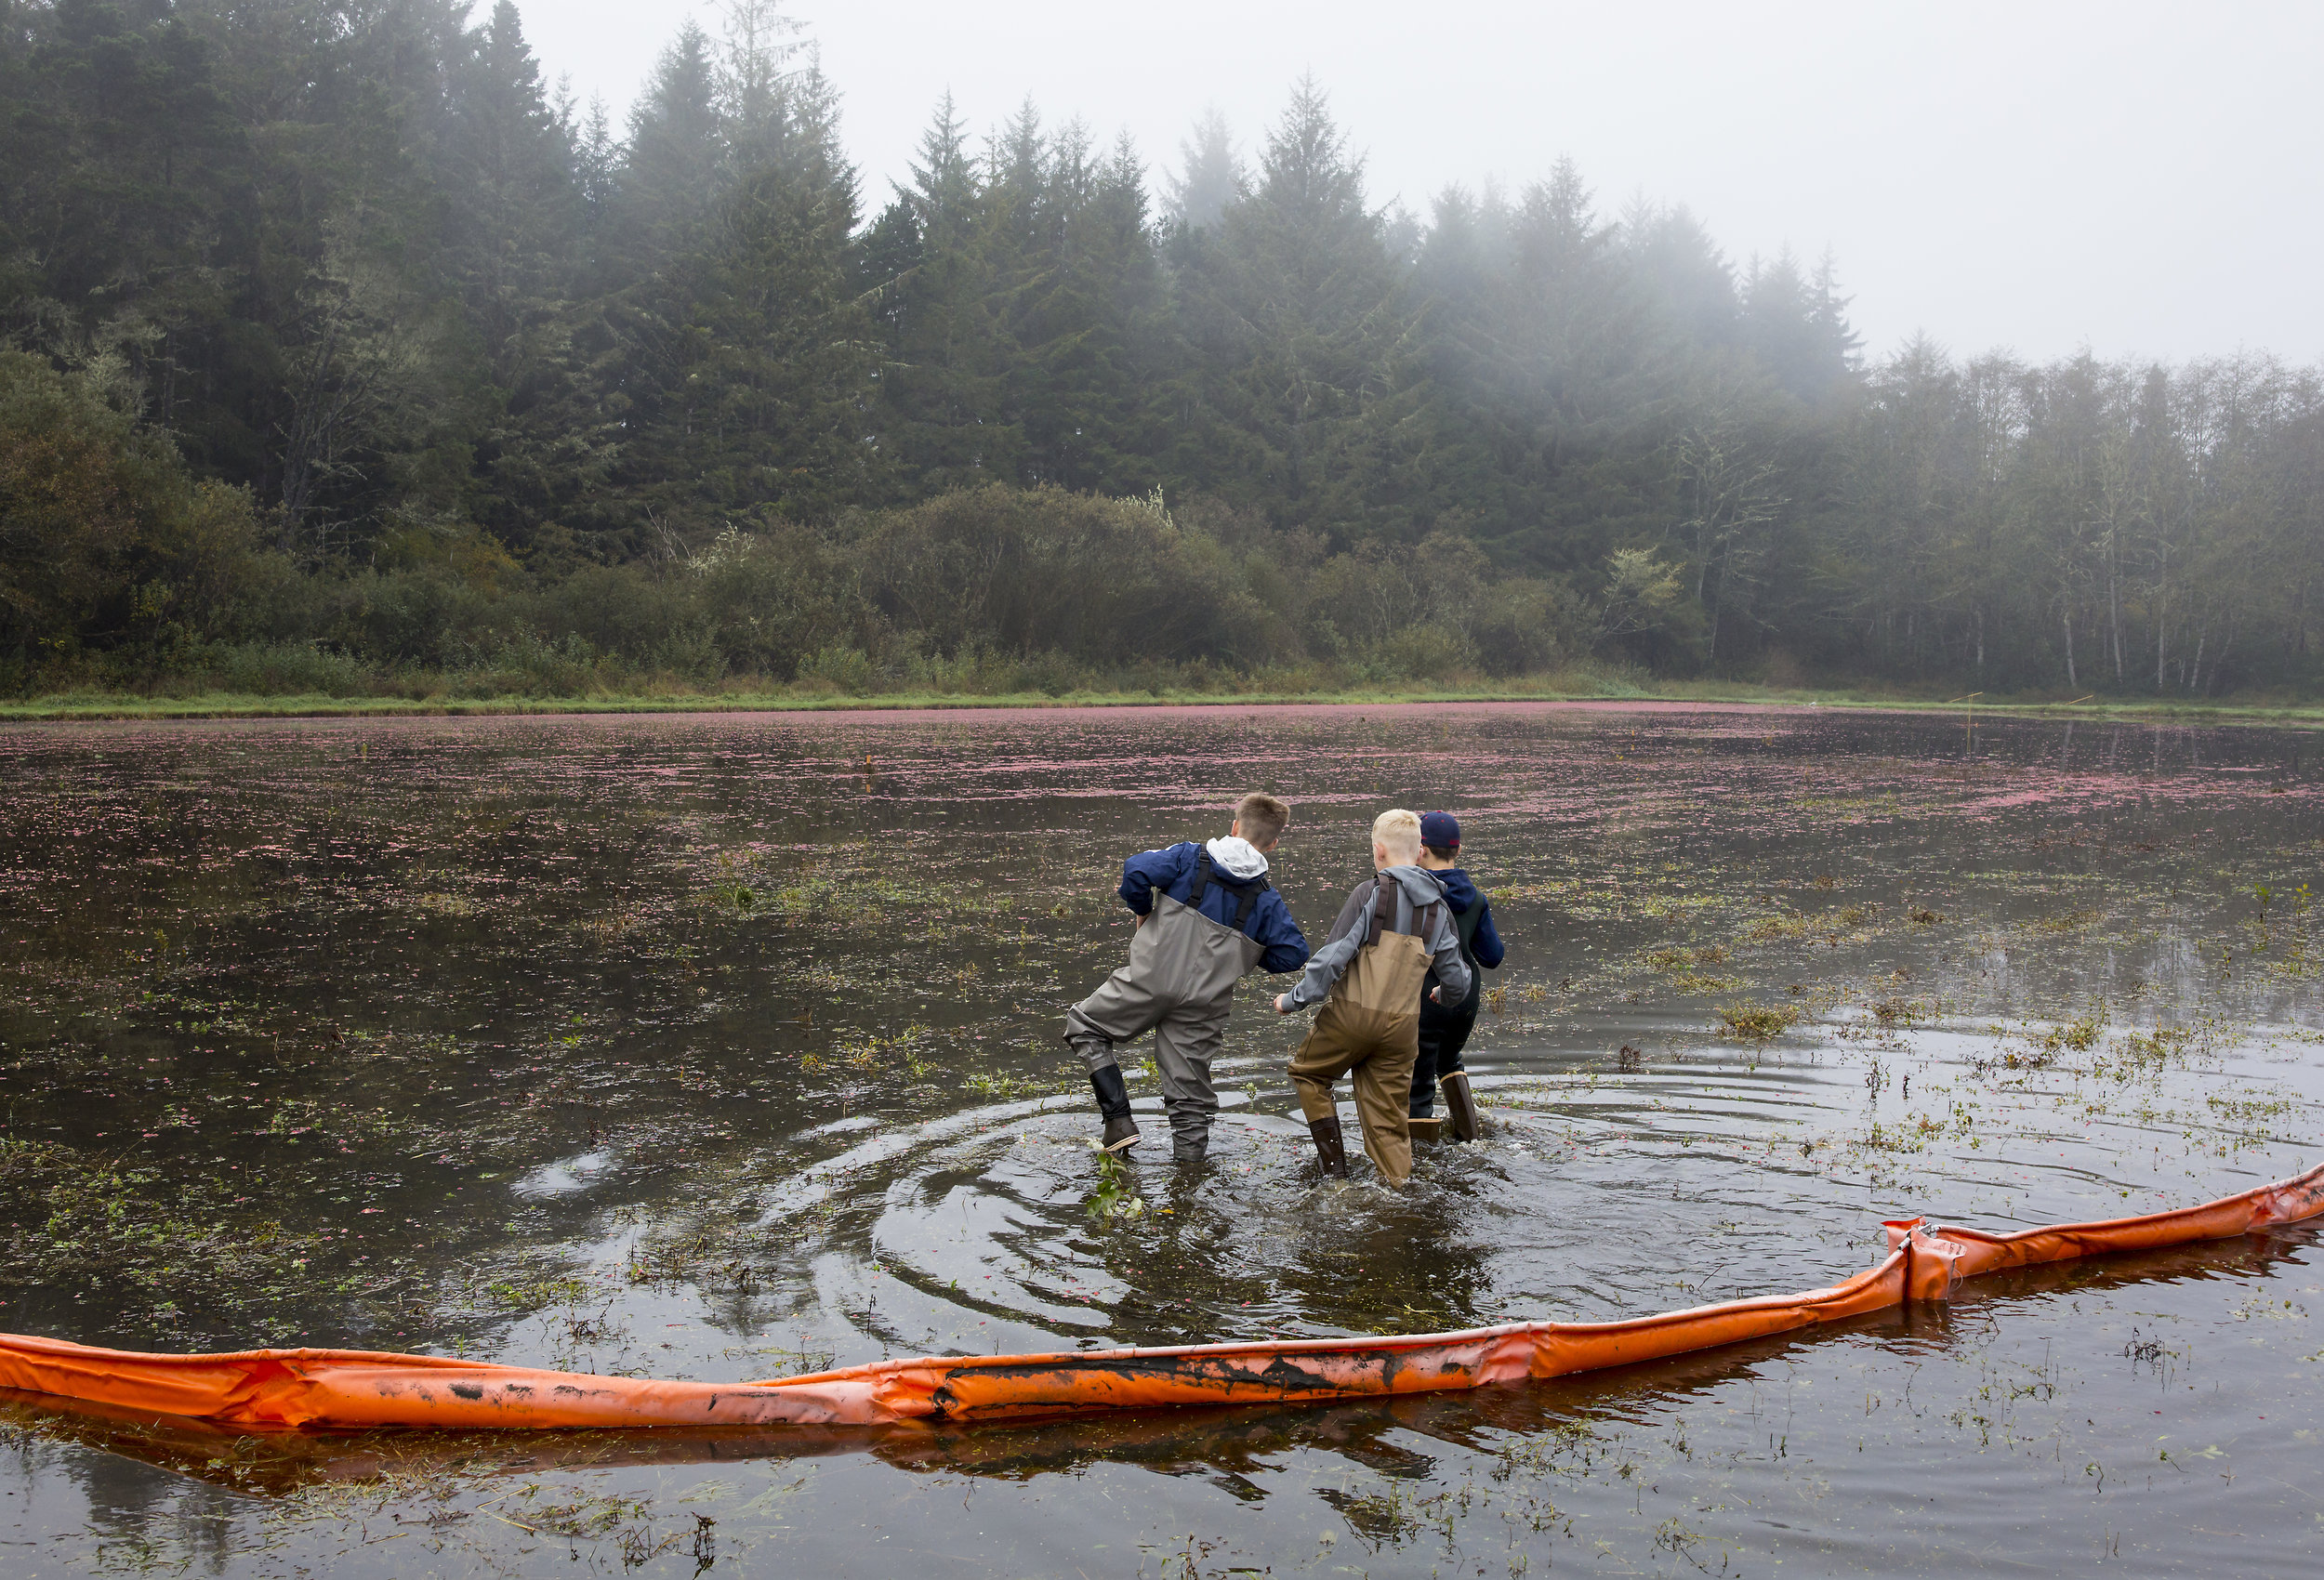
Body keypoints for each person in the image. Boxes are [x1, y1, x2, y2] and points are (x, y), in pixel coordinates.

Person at [1064, 793, 1311, 1164]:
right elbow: (1294, 953)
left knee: (1084, 1027)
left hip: (1148, 981)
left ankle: (1118, 1122)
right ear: (1273, 844)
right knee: (1190, 1101)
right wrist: (1234, 957)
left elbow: (1135, 871)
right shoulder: (1265, 898)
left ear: (1234, 825)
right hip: (1204, 1004)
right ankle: (1189, 1181)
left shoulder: (1187, 859)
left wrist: (1144, 911)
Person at [1272, 809, 1472, 1185]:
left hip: (1352, 1017)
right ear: (1418, 852)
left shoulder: (1371, 893)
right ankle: (1398, 1193)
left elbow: (1333, 957)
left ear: (1379, 851)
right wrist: (1442, 995)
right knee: (1388, 1124)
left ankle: (1336, 1177)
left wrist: (1293, 999)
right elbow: (1458, 983)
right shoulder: (1439, 909)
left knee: (1309, 1075)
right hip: (1401, 1030)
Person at [1408, 811, 1503, 1143]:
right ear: (1457, 851)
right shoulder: (1475, 898)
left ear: (1420, 849)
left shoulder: (1413, 896)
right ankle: (1469, 1138)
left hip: (1427, 998)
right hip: (1466, 1000)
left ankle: (1422, 1162)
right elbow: (1493, 956)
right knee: (1449, 1059)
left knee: (1418, 1083)